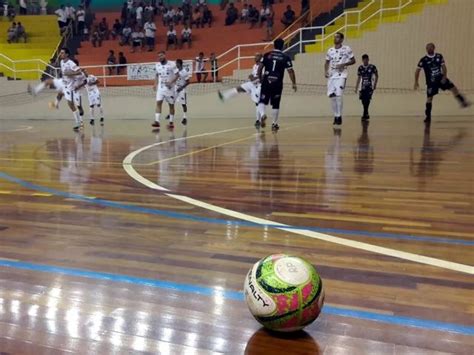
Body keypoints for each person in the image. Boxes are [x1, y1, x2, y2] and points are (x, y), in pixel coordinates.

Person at [414, 42, 470, 123]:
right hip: (431, 82)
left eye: (430, 47)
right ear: (426, 49)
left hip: (440, 78)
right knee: (429, 98)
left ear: (434, 48)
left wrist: (444, 76)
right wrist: (416, 82)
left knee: (453, 88)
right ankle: (428, 117)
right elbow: (417, 71)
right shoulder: (423, 60)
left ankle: (462, 102)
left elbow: (444, 67)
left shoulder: (439, 56)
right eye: (427, 48)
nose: (429, 49)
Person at [257, 38, 296, 130]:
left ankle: (262, 115)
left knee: (262, 100)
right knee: (276, 104)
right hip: (277, 83)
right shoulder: (285, 57)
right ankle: (274, 124)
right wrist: (294, 83)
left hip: (267, 81)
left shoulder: (267, 55)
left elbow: (259, 68)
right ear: (282, 46)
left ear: (274, 45)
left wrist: (260, 78)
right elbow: (290, 71)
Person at [218, 53, 263, 124]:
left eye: (257, 56)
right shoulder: (254, 66)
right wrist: (251, 77)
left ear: (261, 58)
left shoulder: (262, 66)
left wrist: (252, 78)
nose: (255, 57)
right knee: (239, 88)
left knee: (257, 103)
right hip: (251, 84)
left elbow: (260, 77)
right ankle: (224, 96)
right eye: (255, 56)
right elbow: (253, 75)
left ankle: (258, 120)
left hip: (258, 85)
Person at [324, 32, 356, 125]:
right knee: (332, 96)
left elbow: (353, 60)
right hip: (331, 75)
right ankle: (335, 115)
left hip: (341, 75)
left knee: (339, 95)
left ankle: (339, 116)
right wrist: (326, 71)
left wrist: (344, 64)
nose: (335, 39)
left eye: (337, 37)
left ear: (342, 39)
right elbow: (326, 62)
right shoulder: (330, 50)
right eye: (334, 37)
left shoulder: (347, 49)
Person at [152, 51, 179, 130]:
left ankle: (171, 122)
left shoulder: (172, 64)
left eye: (161, 55)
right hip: (160, 88)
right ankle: (157, 121)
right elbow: (157, 75)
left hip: (170, 89)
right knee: (158, 103)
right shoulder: (157, 65)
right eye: (159, 56)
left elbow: (177, 75)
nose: (160, 57)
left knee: (171, 105)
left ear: (164, 55)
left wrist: (171, 82)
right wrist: (155, 84)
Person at [355, 54, 378, 120]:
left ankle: (365, 113)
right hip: (362, 87)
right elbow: (359, 77)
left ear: (368, 59)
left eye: (366, 59)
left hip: (370, 86)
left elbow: (377, 75)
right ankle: (366, 113)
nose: (365, 61)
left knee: (367, 99)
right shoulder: (360, 68)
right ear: (362, 60)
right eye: (364, 60)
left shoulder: (372, 67)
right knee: (363, 100)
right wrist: (356, 87)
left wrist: (375, 84)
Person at [175, 59, 191, 125]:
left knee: (183, 104)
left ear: (179, 64)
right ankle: (170, 115)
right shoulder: (176, 71)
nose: (176, 64)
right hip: (176, 88)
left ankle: (185, 118)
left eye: (177, 63)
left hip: (182, 89)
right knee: (171, 101)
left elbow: (188, 82)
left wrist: (181, 87)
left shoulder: (184, 72)